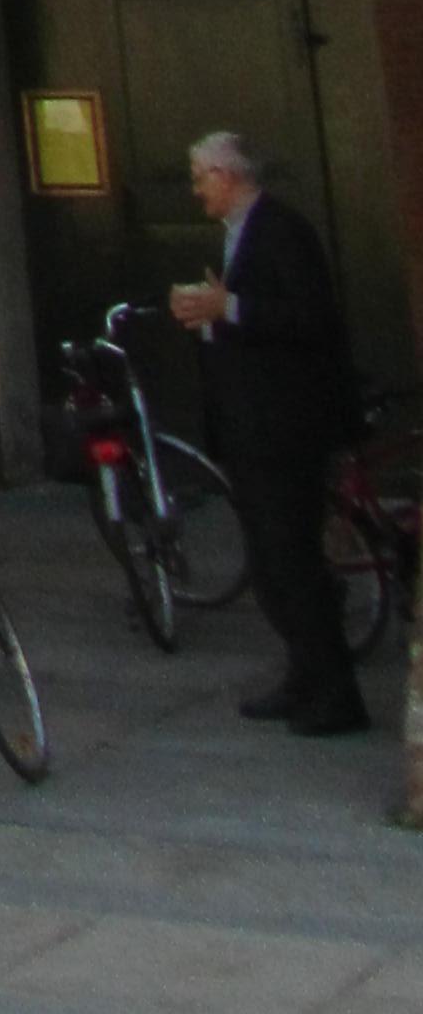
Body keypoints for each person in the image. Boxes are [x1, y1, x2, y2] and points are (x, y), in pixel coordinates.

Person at [170, 128, 367, 734]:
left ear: (228, 176)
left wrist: (226, 309)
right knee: (270, 562)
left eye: (202, 177)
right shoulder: (237, 236)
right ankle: (304, 676)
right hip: (250, 427)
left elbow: (309, 318)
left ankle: (337, 696)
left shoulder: (282, 231)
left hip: (286, 429)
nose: (197, 190)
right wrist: (211, 315)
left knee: (294, 558)